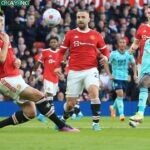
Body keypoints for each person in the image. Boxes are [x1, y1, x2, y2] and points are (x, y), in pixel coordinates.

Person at [0, 12, 79, 132]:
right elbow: (1, 58)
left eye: (1, 21)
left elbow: (9, 57)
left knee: (30, 112)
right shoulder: (4, 38)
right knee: (39, 95)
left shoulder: (3, 36)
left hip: (15, 75)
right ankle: (61, 125)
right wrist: (6, 41)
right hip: (5, 79)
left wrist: (17, 61)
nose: (0, 23)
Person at [55, 10, 109, 131]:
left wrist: (106, 57)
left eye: (83, 17)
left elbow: (105, 51)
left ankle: (95, 124)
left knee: (94, 92)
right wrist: (57, 66)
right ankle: (63, 119)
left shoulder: (96, 35)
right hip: (74, 71)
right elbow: (61, 52)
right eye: (78, 17)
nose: (80, 19)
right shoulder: (70, 34)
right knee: (70, 104)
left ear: (89, 19)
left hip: (91, 69)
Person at [29, 36, 60, 123]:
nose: (53, 43)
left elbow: (62, 64)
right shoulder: (45, 52)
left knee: (50, 98)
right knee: (49, 96)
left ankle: (42, 115)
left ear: (57, 43)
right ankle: (50, 117)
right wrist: (32, 74)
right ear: (49, 43)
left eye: (55, 42)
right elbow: (37, 64)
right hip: (47, 77)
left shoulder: (60, 53)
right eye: (51, 42)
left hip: (55, 79)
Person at [129, 6, 150, 127]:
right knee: (146, 90)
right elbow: (136, 43)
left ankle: (140, 114)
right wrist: (131, 49)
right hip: (143, 62)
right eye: (149, 12)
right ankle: (138, 117)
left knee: (144, 84)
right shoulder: (142, 28)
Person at [107, 38, 137, 121]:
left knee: (121, 96)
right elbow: (107, 64)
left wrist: (135, 74)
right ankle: (121, 115)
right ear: (118, 44)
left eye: (124, 42)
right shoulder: (113, 54)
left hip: (125, 78)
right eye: (121, 42)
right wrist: (109, 74)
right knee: (120, 95)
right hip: (116, 77)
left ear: (126, 44)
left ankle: (113, 107)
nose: (122, 44)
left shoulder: (129, 54)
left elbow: (134, 64)